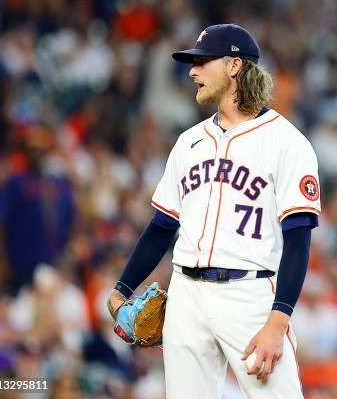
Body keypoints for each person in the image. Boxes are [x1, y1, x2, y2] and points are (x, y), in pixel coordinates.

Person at [106, 23, 320, 398]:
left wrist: (278, 320)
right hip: (185, 295)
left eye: (203, 62)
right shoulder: (189, 143)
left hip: (250, 295)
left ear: (235, 66)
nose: (192, 71)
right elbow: (161, 226)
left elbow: (299, 241)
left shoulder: (287, 143)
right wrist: (123, 287)